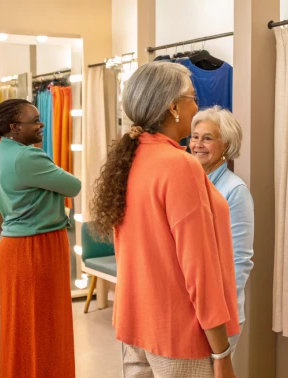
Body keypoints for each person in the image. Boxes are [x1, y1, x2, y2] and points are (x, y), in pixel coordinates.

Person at [91, 62, 239, 378]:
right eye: (193, 97)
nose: (197, 106)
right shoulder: (179, 165)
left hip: (137, 320)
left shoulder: (131, 157)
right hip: (177, 332)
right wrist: (221, 352)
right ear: (173, 107)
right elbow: (199, 267)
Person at [0, 99, 81, 378]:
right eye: (35, 120)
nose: (41, 125)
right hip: (36, 248)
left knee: (25, 328)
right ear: (15, 127)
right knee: (44, 328)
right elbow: (73, 186)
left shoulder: (3, 150)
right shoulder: (28, 156)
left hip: (18, 247)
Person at [190, 106, 254, 354]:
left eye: (207, 138)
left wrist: (221, 313)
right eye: (195, 136)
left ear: (226, 145)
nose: (197, 144)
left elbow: (240, 260)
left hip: (220, 314)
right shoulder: (188, 181)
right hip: (194, 309)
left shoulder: (235, 191)